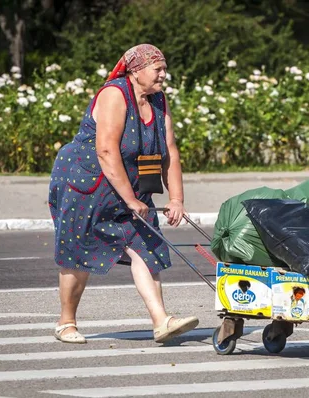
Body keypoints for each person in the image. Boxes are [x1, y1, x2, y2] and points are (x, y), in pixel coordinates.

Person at [48, 44, 199, 344]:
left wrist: (177, 198)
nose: (163, 74)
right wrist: (130, 199)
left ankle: (161, 321)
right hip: (86, 183)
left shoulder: (158, 101)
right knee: (78, 254)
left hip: (128, 182)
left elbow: (169, 150)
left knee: (146, 247)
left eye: (164, 68)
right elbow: (105, 149)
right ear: (136, 70)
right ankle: (66, 323)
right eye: (158, 69)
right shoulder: (114, 94)